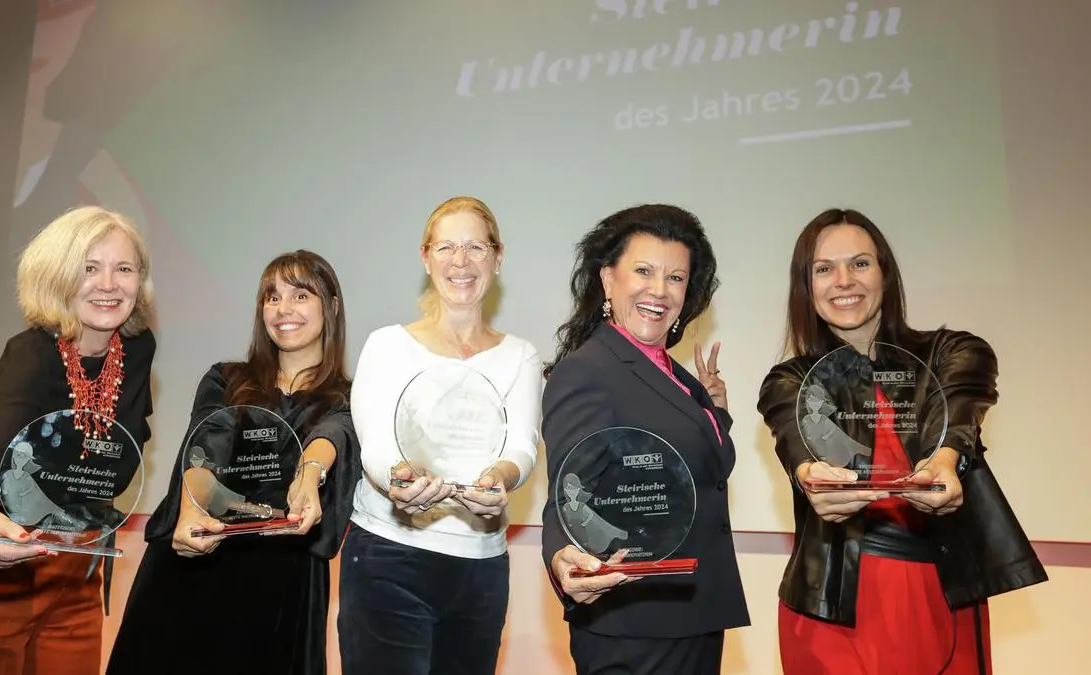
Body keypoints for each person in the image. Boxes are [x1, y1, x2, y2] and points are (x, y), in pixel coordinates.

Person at [756, 208, 1049, 674]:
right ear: (805, 287)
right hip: (833, 604)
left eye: (860, 263)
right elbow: (793, 431)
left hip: (939, 590)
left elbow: (961, 397)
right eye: (824, 269)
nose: (843, 281)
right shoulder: (791, 379)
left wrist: (945, 460)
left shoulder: (950, 352)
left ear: (885, 275)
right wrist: (812, 476)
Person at [0, 206, 156, 675]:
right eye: (89, 268)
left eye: (123, 268)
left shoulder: (137, 351)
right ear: (58, 276)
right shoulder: (31, 354)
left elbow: (118, 457)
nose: (109, 284)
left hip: (75, 575)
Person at [106, 250, 360, 674]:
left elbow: (332, 433)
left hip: (283, 586)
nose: (283, 310)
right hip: (197, 562)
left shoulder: (351, 397)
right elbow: (204, 446)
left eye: (301, 296)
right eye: (272, 297)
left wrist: (309, 475)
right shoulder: (227, 378)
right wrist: (191, 511)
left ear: (331, 305)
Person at [540, 204, 750, 675]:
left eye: (675, 277)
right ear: (607, 279)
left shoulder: (675, 375)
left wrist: (716, 413)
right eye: (643, 271)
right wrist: (561, 556)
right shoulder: (588, 369)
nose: (660, 290)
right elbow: (569, 490)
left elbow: (707, 471)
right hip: (634, 625)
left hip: (693, 613)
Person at [337, 196, 543, 675]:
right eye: (447, 246)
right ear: (426, 257)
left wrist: (500, 478)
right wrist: (400, 477)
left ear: (498, 257)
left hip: (481, 567)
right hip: (389, 558)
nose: (461, 261)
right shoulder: (388, 345)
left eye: (476, 246)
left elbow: (522, 446)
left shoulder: (521, 356)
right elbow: (378, 445)